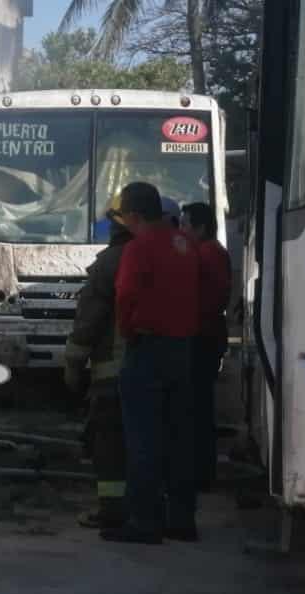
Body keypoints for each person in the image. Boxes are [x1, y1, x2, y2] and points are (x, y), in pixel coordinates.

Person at [104, 182, 201, 545]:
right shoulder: (186, 244)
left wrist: (127, 332)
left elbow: (125, 295)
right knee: (180, 436)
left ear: (132, 215)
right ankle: (181, 519)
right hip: (183, 348)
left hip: (147, 348)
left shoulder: (137, 248)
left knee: (143, 438)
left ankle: (144, 521)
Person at [64, 195, 135, 530]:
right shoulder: (165, 255)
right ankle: (147, 505)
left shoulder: (111, 263)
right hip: (158, 368)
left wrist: (73, 364)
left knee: (109, 444)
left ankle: (113, 510)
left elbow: (89, 321)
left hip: (114, 370)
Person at [180, 202, 232, 492]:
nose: (182, 230)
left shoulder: (207, 253)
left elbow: (204, 299)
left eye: (186, 225)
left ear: (200, 227)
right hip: (207, 335)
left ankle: (200, 474)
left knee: (196, 410)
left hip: (201, 337)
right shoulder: (212, 252)